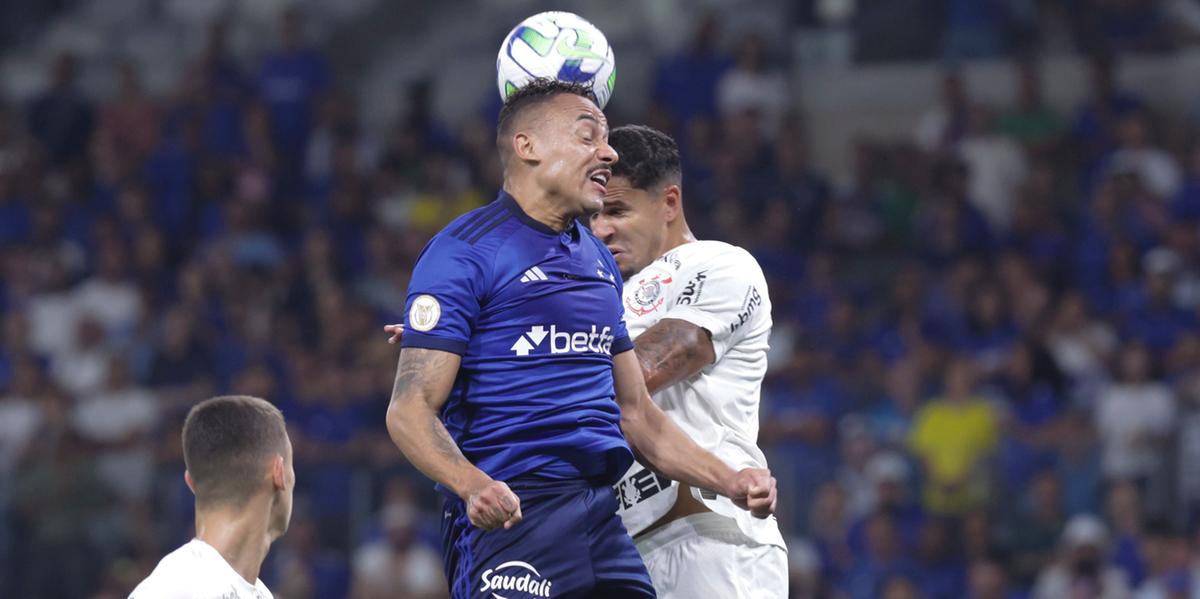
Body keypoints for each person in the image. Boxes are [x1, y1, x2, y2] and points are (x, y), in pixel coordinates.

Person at [384, 79, 776, 599]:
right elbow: (408, 410)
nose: (608, 152)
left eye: (606, 139)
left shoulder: (597, 265)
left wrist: (731, 480)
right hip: (513, 513)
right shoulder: (464, 251)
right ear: (528, 147)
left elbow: (636, 413)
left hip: (600, 520)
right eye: (589, 136)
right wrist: (471, 484)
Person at [589, 124, 788, 597]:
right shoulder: (600, 296)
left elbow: (640, 374)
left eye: (617, 210)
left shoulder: (720, 265)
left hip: (709, 539)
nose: (601, 229)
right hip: (625, 551)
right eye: (593, 215)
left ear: (670, 203)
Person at [129, 395, 295, 599]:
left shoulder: (257, 593)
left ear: (191, 483)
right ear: (279, 473)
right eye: (291, 467)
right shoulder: (175, 590)